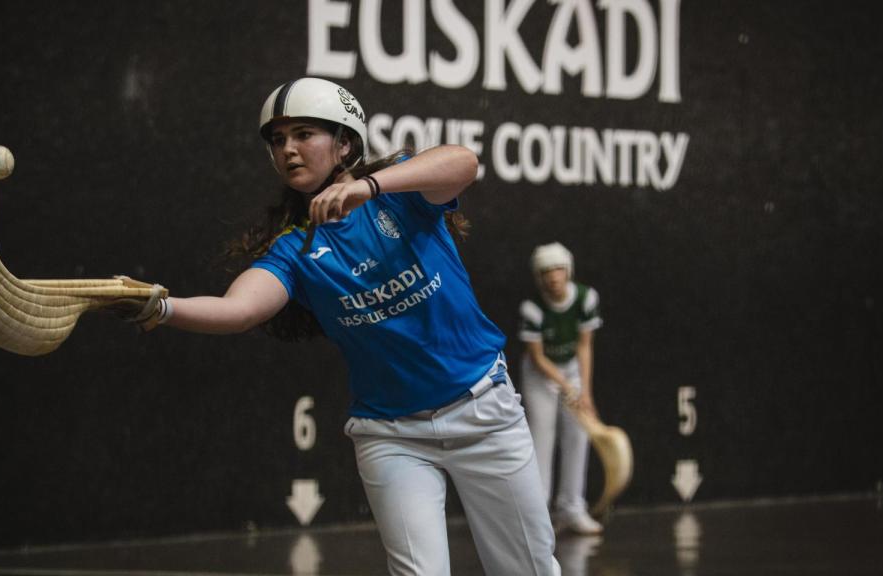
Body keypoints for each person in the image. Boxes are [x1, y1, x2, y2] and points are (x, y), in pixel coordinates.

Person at [124, 77, 560, 575]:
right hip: (392, 435)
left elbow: (464, 163)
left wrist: (369, 186)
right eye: (277, 140)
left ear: (345, 143)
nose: (287, 149)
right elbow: (238, 310)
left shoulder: (399, 192)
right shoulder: (294, 248)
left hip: (484, 412)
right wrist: (159, 307)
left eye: (304, 133)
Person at [518, 242, 604, 535]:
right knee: (542, 439)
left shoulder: (586, 298)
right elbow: (538, 357)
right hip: (540, 377)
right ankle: (539, 517)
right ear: (538, 277)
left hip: (572, 371)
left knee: (579, 436)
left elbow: (585, 346)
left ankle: (571, 509)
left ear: (568, 271)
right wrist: (567, 386)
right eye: (546, 271)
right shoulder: (532, 308)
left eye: (558, 269)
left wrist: (586, 393)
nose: (553, 276)